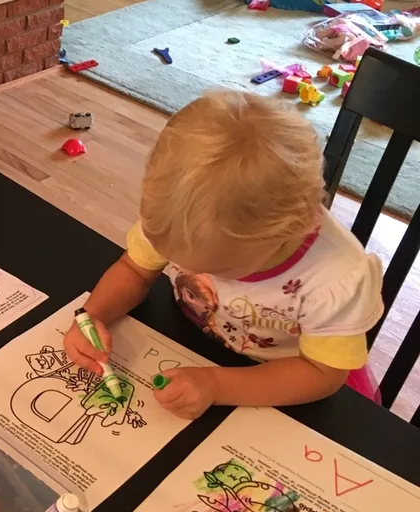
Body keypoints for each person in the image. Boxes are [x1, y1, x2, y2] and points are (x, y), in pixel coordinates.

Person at [64, 91, 383, 419]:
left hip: (289, 379)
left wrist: (217, 384)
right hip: (196, 340)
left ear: (289, 230)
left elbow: (321, 374)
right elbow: (134, 269)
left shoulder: (336, 277)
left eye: (217, 268)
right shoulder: (181, 220)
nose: (184, 268)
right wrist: (94, 315)